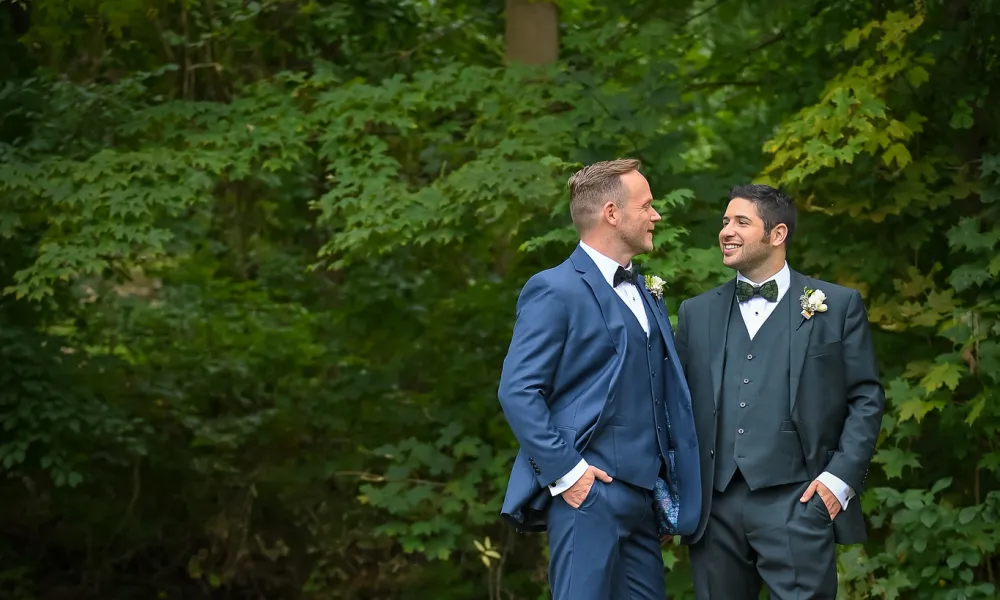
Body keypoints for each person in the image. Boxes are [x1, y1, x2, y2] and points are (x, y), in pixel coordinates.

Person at [496, 158, 701, 599]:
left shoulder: (645, 291)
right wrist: (569, 474)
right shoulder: (555, 288)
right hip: (587, 493)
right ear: (612, 213)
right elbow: (518, 390)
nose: (656, 216)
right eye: (646, 206)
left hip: (645, 499)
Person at [674, 184, 885, 599]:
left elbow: (866, 398)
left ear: (777, 234)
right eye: (724, 221)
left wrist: (838, 482)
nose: (726, 231)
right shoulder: (695, 313)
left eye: (741, 222)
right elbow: (675, 406)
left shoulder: (836, 306)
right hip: (714, 510)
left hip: (799, 502)